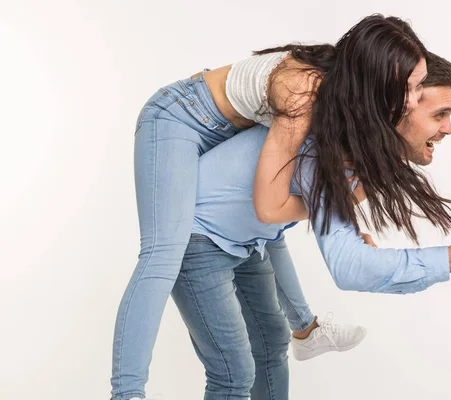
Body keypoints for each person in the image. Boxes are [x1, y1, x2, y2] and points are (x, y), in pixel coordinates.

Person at [111, 14, 429, 400]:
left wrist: (344, 228)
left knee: (262, 235)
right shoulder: (306, 92)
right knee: (164, 252)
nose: (415, 100)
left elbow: (307, 186)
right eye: (410, 87)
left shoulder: (345, 91)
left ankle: (306, 329)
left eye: (420, 87)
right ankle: (126, 394)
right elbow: (271, 204)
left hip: (223, 132)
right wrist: (331, 213)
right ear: (377, 75)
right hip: (179, 118)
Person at [168, 52, 451, 399]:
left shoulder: (352, 146)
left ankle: (306, 332)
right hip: (198, 239)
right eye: (440, 114)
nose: (449, 127)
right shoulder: (325, 146)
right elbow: (348, 267)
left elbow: (322, 208)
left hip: (249, 241)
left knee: (270, 345)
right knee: (234, 371)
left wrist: (351, 231)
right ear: (398, 108)